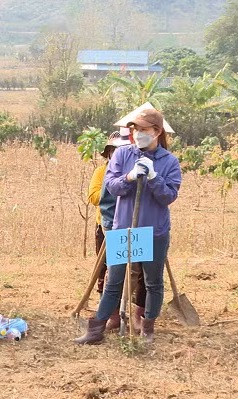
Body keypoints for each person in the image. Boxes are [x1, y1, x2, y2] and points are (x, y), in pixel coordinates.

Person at [76, 109, 182, 345]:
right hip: (124, 227)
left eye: (144, 129)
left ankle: (148, 328)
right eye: (135, 129)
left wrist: (154, 177)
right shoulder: (122, 155)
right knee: (114, 280)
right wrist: (130, 177)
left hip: (153, 231)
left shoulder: (169, 162)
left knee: (152, 281)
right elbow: (112, 187)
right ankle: (96, 329)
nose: (138, 134)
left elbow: (168, 197)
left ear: (157, 132)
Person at [86, 128, 146, 331]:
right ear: (109, 152)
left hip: (138, 227)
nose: (117, 154)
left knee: (138, 272)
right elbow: (97, 199)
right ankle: (111, 314)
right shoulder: (103, 172)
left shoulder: (140, 170)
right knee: (108, 272)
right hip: (109, 227)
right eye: (114, 150)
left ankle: (137, 315)